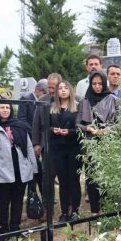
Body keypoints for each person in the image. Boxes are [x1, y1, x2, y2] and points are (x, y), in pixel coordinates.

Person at [0, 102, 38, 234]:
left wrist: (34, 168)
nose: (5, 110)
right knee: (3, 200)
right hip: (1, 169)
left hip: (21, 167)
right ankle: (3, 228)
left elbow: (29, 147)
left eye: (8, 107)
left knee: (18, 199)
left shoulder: (19, 126)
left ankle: (15, 227)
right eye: (2, 107)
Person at [77, 71, 119, 215]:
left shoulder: (112, 99)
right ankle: (95, 210)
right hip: (90, 143)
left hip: (107, 143)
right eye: (94, 83)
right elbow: (78, 123)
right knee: (91, 177)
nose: (97, 86)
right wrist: (86, 127)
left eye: (100, 83)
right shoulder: (85, 100)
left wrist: (107, 130)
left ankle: (108, 209)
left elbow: (120, 122)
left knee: (107, 175)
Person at [48, 81, 82, 222]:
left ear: (70, 90)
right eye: (60, 88)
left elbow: (81, 129)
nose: (63, 90)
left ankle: (74, 210)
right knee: (63, 181)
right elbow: (47, 127)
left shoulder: (77, 107)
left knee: (74, 180)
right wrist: (53, 130)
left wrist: (68, 132)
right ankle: (64, 212)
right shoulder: (52, 108)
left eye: (65, 88)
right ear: (57, 92)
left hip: (73, 147)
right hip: (58, 148)